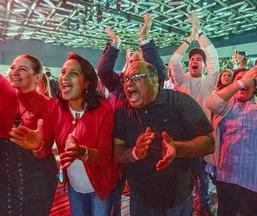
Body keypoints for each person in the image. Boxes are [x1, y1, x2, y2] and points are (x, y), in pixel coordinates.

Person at [9, 53, 122, 216]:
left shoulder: (103, 109)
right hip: (75, 187)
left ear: (86, 83)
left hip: (101, 186)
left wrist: (82, 153)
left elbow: (105, 155)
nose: (64, 77)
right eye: (63, 72)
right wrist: (37, 147)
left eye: (73, 73)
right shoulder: (53, 108)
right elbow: (45, 149)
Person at [113, 60, 215, 216]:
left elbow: (209, 143)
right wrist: (134, 152)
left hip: (176, 200)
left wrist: (177, 149)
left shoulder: (180, 102)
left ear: (154, 80)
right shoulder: (123, 109)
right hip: (139, 200)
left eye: (136, 77)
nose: (129, 83)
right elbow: (117, 151)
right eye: (126, 79)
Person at [97, 13, 166, 216]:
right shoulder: (118, 84)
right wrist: (114, 44)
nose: (133, 64)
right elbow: (103, 70)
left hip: (143, 147)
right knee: (114, 191)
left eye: (139, 61)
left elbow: (158, 70)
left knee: (141, 193)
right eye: (131, 61)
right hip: (119, 145)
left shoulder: (153, 83)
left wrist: (144, 38)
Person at [205, 63, 257, 216]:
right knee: (225, 211)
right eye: (239, 79)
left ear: (255, 85)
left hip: (256, 177)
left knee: (252, 212)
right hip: (226, 173)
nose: (244, 82)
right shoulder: (226, 104)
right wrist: (241, 83)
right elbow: (210, 103)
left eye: (249, 79)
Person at [169, 10, 219, 215]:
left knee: (202, 177)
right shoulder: (181, 81)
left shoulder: (209, 83)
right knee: (181, 178)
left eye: (199, 58)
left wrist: (199, 32)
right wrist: (189, 37)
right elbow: (174, 61)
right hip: (180, 137)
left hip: (200, 139)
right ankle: (184, 206)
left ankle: (204, 204)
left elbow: (214, 57)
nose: (195, 60)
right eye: (192, 59)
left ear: (203, 64)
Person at [0, 54, 58, 216]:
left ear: (37, 77)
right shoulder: (3, 96)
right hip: (5, 177)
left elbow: (46, 148)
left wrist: (37, 146)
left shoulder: (49, 105)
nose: (14, 72)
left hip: (37, 179)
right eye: (12, 68)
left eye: (22, 69)